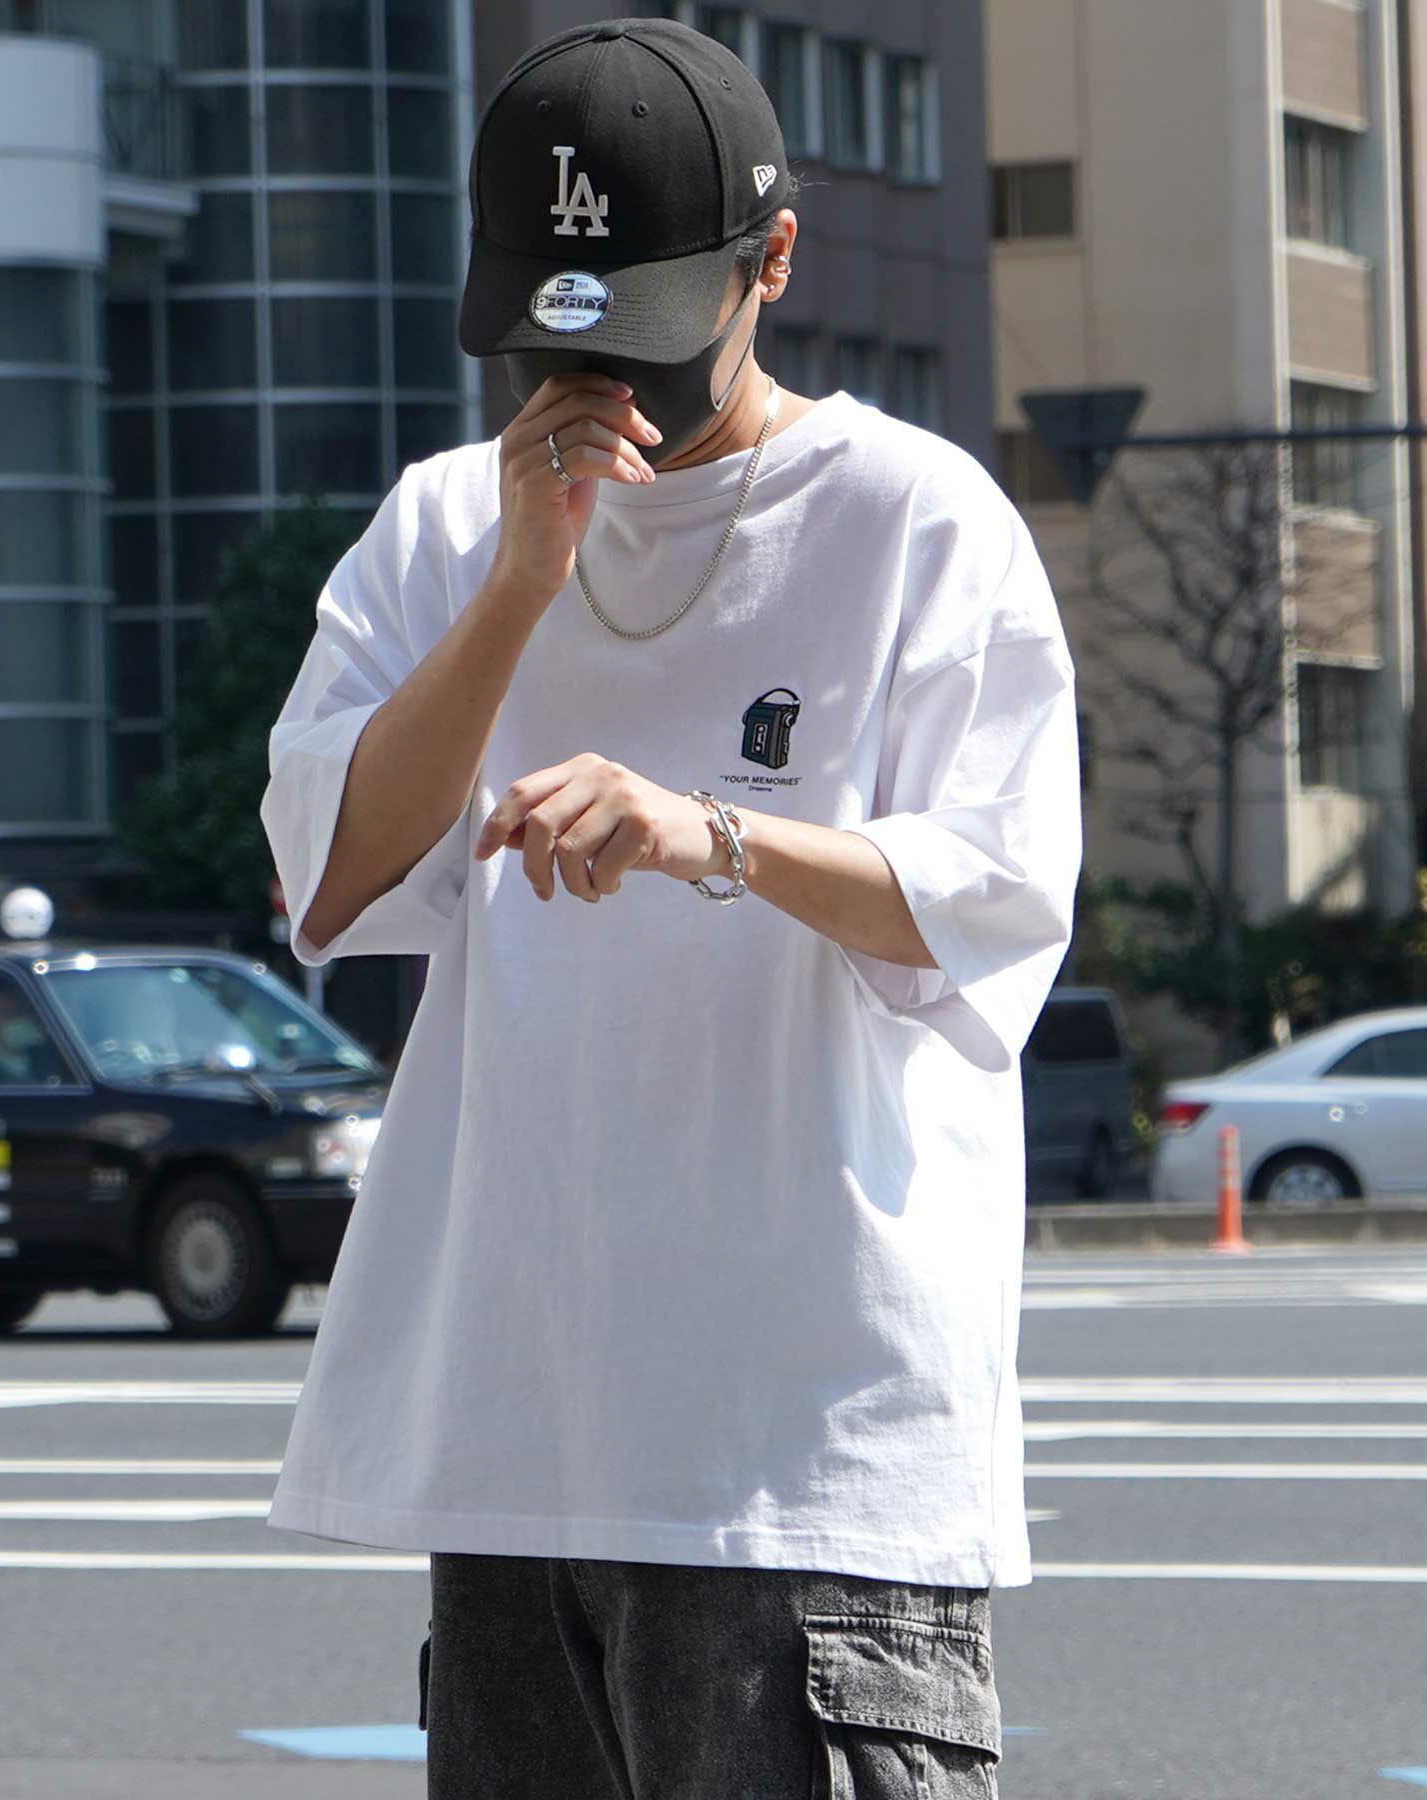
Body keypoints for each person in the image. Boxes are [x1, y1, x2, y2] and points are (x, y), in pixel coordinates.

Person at [260, 18, 1082, 1798]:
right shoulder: (441, 525)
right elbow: (327, 875)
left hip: (810, 1462)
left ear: (770, 263)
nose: (593, 387)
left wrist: (713, 837)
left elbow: (998, 900)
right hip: (516, 1445)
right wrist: (518, 584)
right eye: (551, 336)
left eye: (633, 333)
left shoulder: (917, 521)